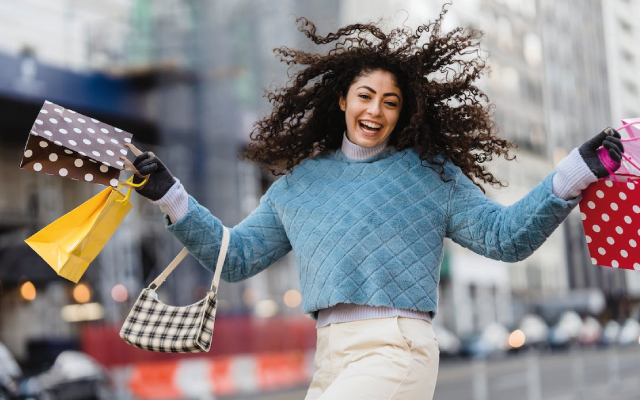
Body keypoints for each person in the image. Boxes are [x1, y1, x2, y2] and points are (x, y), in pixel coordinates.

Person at [130, 6, 623, 400]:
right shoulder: (300, 184)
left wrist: (573, 172)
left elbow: (505, 238)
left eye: (391, 102)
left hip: (398, 350)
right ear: (342, 100)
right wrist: (170, 196)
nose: (376, 110)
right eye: (366, 95)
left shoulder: (430, 176)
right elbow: (234, 259)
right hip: (330, 358)